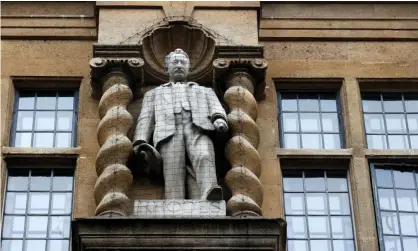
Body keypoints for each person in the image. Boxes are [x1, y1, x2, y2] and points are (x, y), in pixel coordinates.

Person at [133, 48, 228, 200]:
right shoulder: (154, 93)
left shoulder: (204, 91)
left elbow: (216, 106)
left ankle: (210, 192)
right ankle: (173, 201)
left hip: (198, 129)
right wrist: (140, 141)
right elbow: (146, 118)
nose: (179, 65)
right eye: (175, 62)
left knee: (204, 155)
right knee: (173, 170)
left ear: (189, 68)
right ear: (166, 68)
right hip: (168, 133)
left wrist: (219, 118)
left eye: (183, 62)